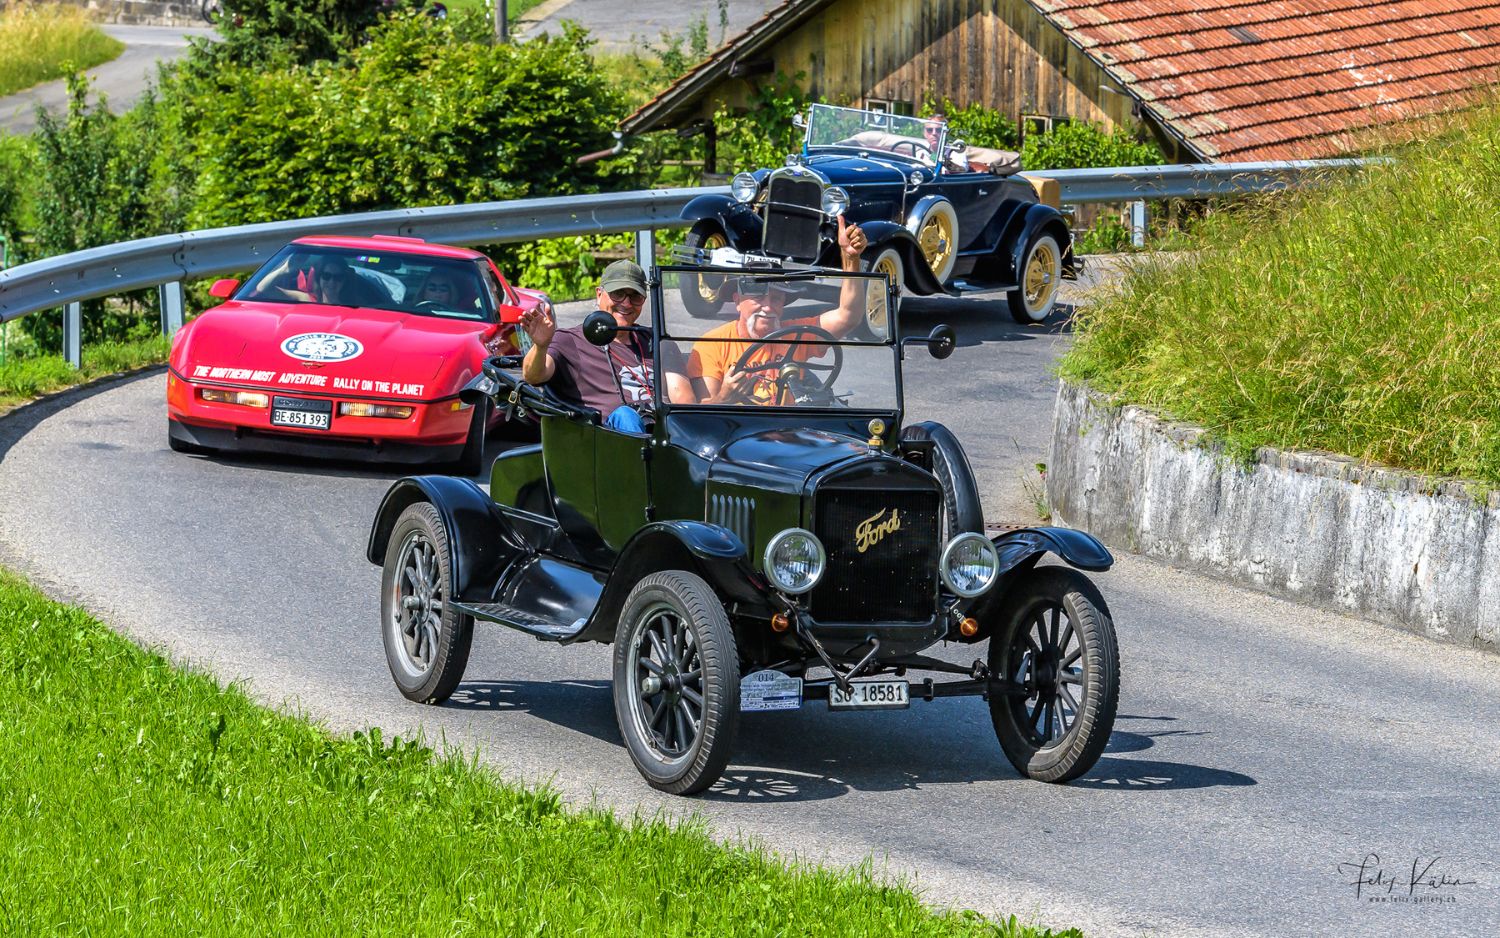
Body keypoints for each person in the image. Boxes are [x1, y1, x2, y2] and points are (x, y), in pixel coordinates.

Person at [689, 217, 869, 405]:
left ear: (783, 302)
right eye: (758, 297)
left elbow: (849, 315)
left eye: (776, 298)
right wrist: (724, 398)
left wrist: (851, 259)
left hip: (787, 430)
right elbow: (702, 417)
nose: (768, 307)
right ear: (737, 301)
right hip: (737, 431)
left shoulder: (797, 335)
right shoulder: (711, 345)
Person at [519, 259, 694, 432]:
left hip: (663, 436)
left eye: (635, 296)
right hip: (608, 441)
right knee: (626, 415)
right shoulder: (570, 340)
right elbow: (533, 376)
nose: (626, 303)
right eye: (618, 294)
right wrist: (540, 346)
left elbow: (683, 400)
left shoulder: (656, 340)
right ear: (599, 294)